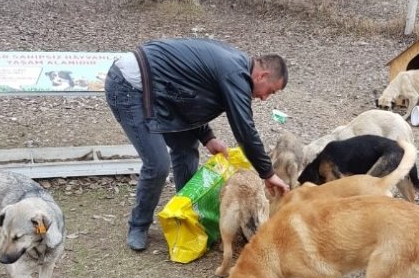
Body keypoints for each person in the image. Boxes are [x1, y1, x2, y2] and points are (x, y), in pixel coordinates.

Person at [105, 38, 290, 250]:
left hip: (160, 90)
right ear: (262, 76)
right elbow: (245, 129)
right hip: (129, 86)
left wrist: (207, 137)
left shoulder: (235, 67)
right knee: (157, 164)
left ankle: (186, 216)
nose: (265, 98)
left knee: (186, 149)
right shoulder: (235, 73)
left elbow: (189, 98)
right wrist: (268, 173)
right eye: (270, 91)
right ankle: (138, 225)